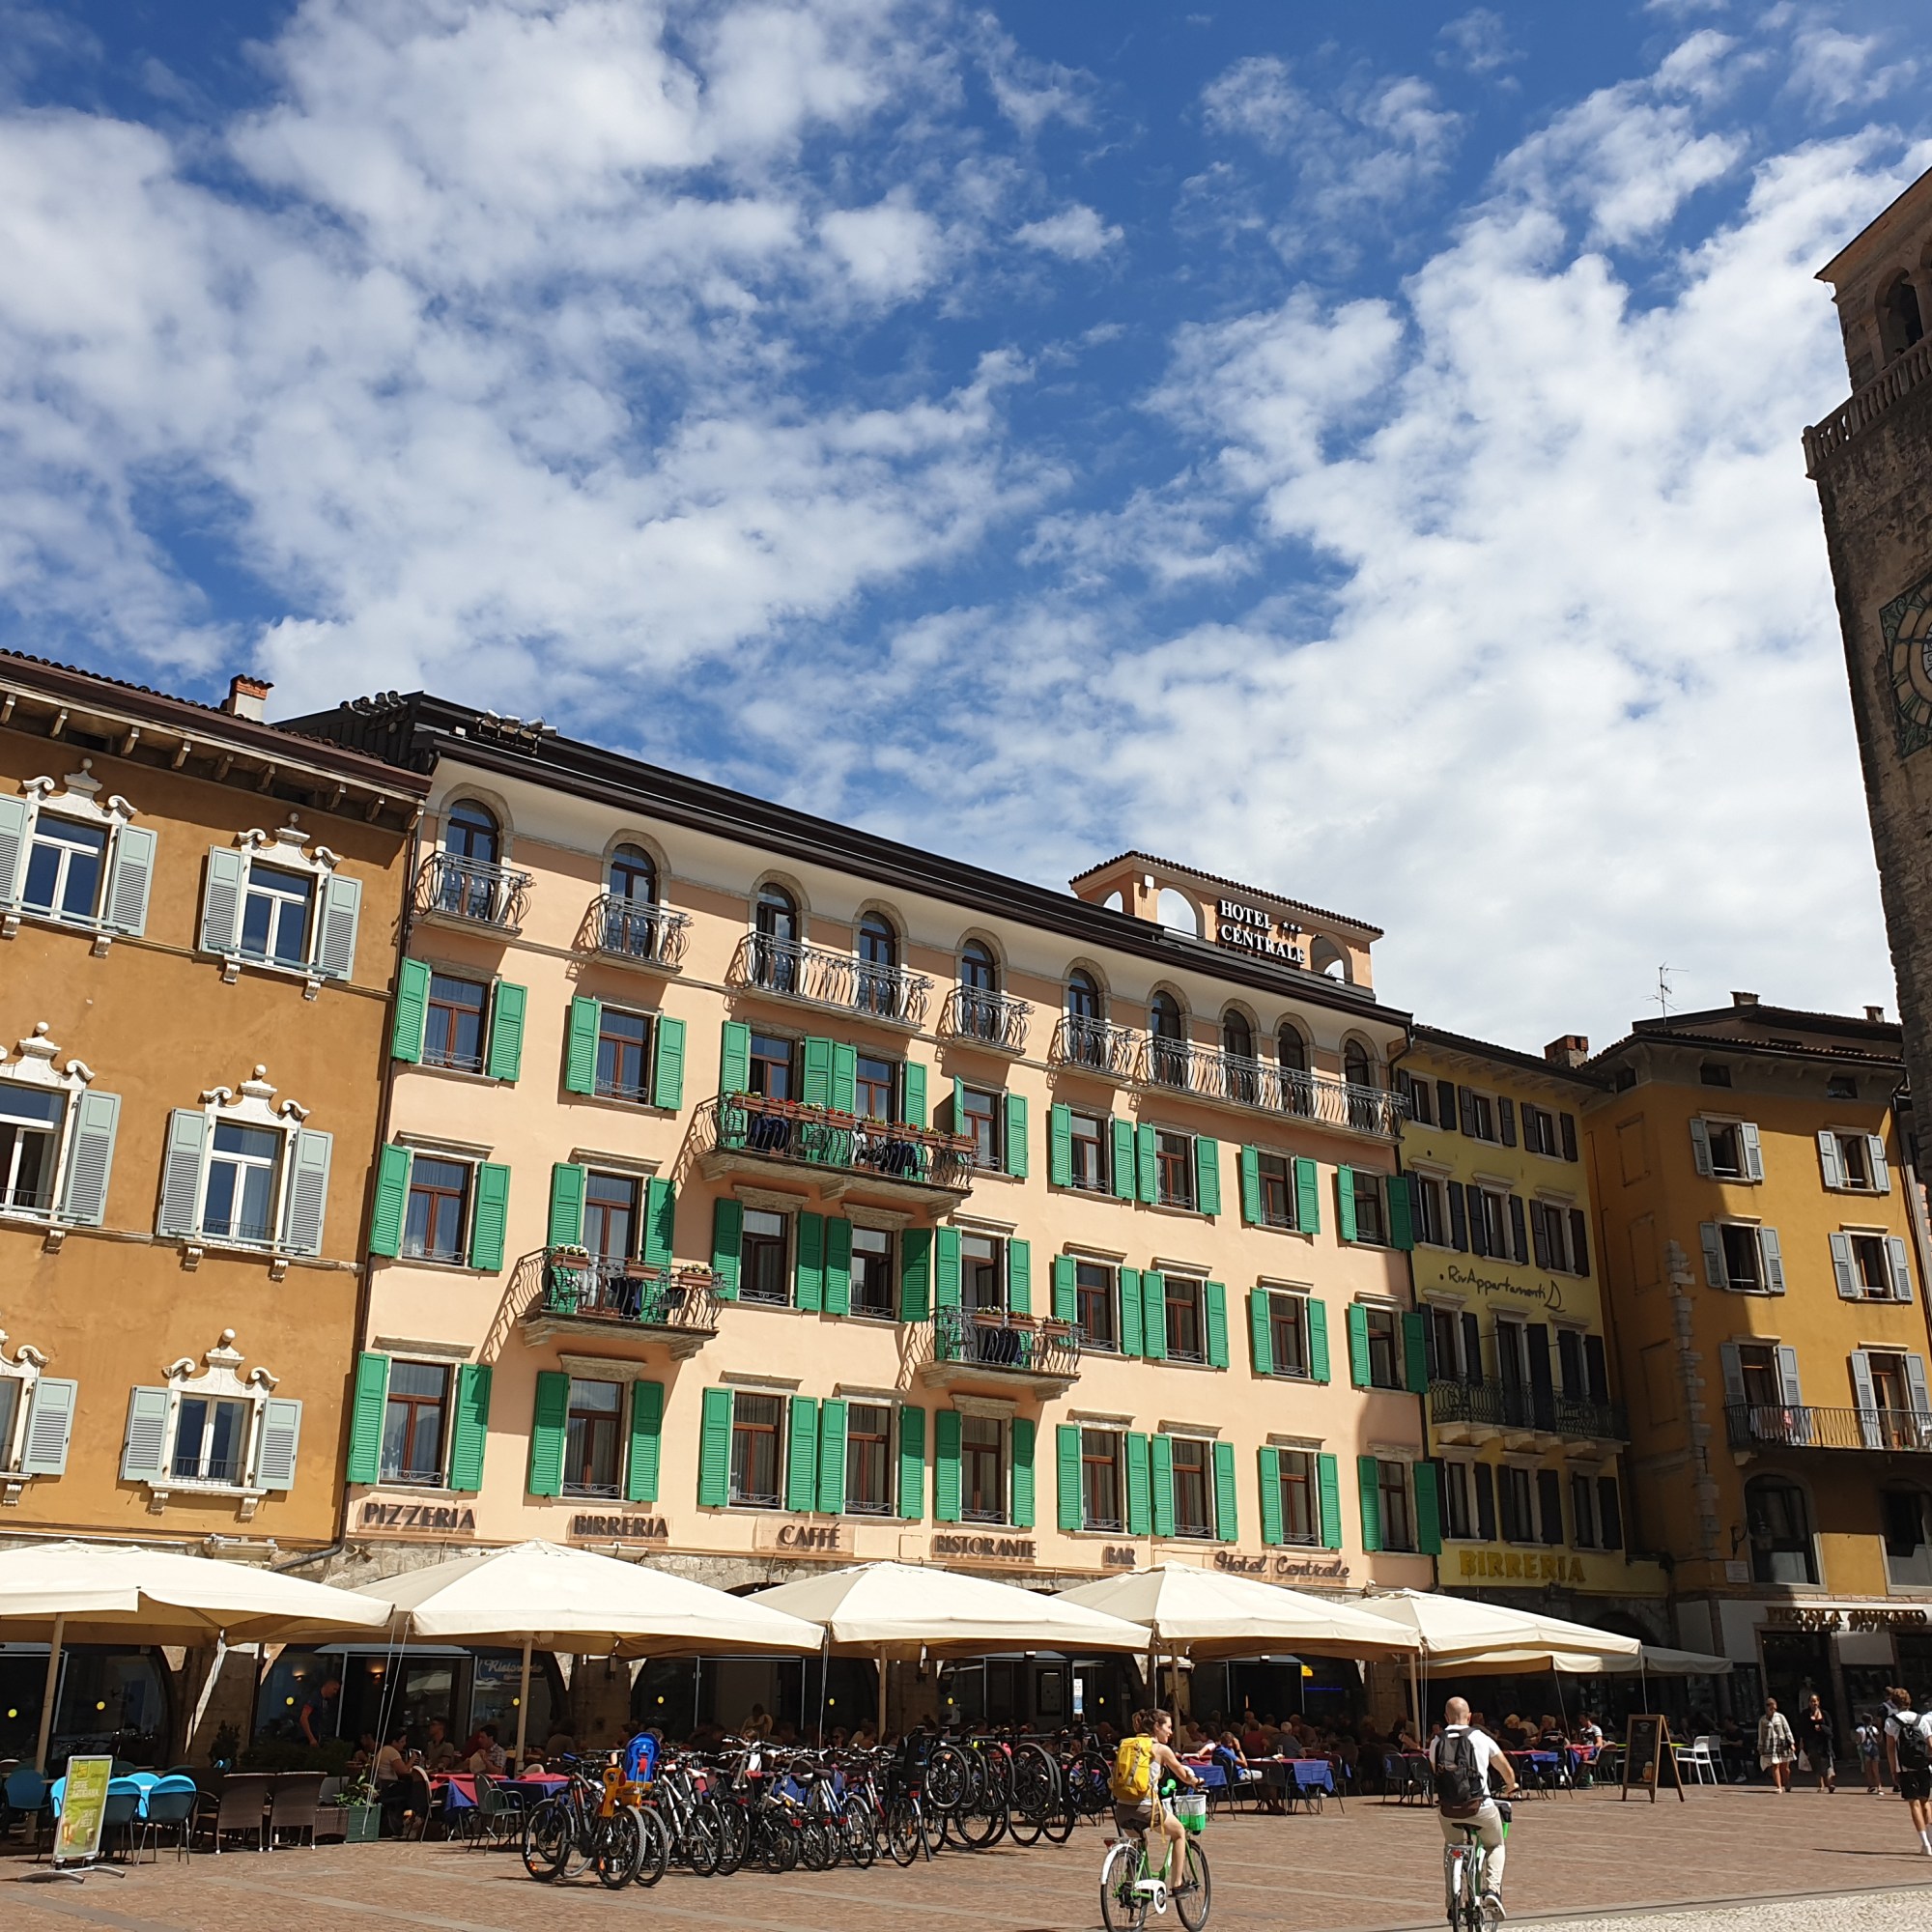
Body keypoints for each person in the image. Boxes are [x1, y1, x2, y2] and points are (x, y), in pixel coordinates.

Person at [1431, 1696, 1518, 1919]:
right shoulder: (1480, 1738)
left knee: (1452, 1846)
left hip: (1449, 1809)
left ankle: (1452, 1902)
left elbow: (1436, 1774)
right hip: (1480, 1806)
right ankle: (1492, 1890)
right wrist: (1511, 1785)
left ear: (1445, 1718)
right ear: (1469, 1717)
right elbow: (1505, 1769)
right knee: (1495, 1844)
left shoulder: (1436, 1742)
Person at [1111, 1709, 1204, 1898]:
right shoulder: (1161, 1749)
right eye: (1168, 1727)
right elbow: (1183, 1774)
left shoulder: (1127, 1744)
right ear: (1156, 1727)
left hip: (1121, 1808)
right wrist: (1197, 1782)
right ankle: (1177, 1884)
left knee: (1138, 1842)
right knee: (1178, 1832)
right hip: (1146, 1808)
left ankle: (1130, 1883)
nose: (1171, 1732)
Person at [1883, 1686, 1932, 1854]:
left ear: (1894, 1703)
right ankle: (1931, 1838)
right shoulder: (1921, 1719)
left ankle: (1925, 1843)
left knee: (1914, 1804)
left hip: (1904, 1767)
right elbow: (1930, 1744)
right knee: (1926, 1802)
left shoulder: (1891, 1721)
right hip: (1924, 1765)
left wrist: (1893, 1770)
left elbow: (1890, 1748)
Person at [1797, 1692, 1837, 1794]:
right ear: (1809, 1703)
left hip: (1824, 1743)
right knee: (1816, 1764)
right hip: (1812, 1743)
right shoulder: (1805, 1715)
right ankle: (1821, 1785)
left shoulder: (1825, 1714)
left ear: (1818, 1702)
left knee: (1827, 1763)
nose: (1814, 1703)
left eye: (1815, 1701)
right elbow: (1802, 1729)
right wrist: (1802, 1741)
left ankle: (1829, 1784)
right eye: (1812, 1701)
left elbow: (1830, 1728)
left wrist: (1821, 1728)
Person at [1758, 1698, 1797, 1794]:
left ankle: (1787, 1782)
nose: (1772, 1710)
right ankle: (1779, 1786)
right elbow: (1761, 1734)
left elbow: (1787, 1729)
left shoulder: (1780, 1717)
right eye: (1770, 1707)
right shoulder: (1762, 1720)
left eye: (1773, 1707)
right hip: (1770, 1745)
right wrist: (1760, 1746)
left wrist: (1791, 1743)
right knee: (1775, 1765)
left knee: (1785, 1767)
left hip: (1782, 1743)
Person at [297, 1674, 341, 1747]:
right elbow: (303, 1718)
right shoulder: (314, 1698)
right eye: (334, 1689)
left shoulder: (325, 1701)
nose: (335, 1692)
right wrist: (311, 1738)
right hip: (306, 1738)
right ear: (328, 1686)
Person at [1856, 1711, 1885, 1794]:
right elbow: (1879, 1740)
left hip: (1865, 1750)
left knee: (1868, 1769)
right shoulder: (1874, 1729)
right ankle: (1879, 1786)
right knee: (1876, 1769)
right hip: (1874, 1750)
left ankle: (1871, 1785)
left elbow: (1858, 1740)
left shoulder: (1860, 1730)